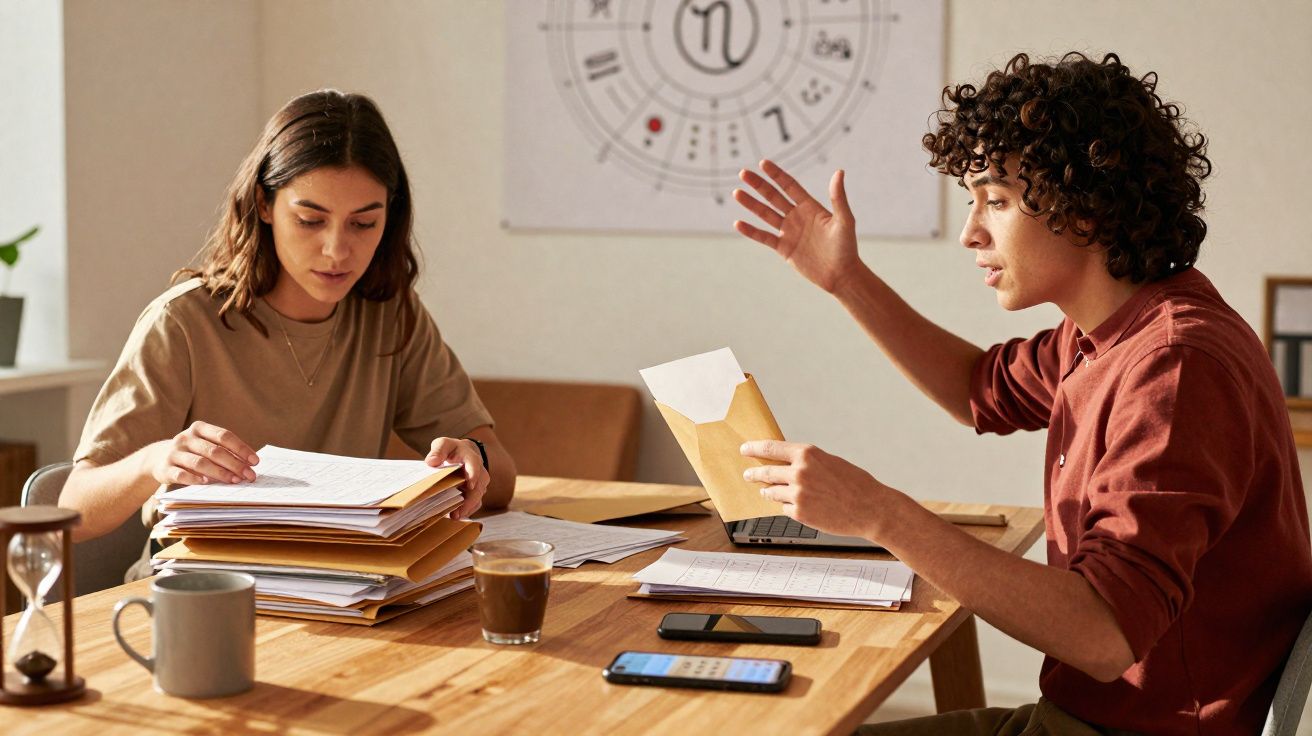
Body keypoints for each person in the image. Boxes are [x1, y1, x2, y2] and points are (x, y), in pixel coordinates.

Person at [731, 52, 1312, 735]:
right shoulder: (1106, 331)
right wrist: (847, 281)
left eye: (996, 201)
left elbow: (1103, 635)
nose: (971, 232)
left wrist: (879, 514)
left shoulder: (1174, 368)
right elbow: (977, 389)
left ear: (1085, 206)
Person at [61, 90, 517, 571]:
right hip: (198, 591)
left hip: (346, 585)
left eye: (363, 223)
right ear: (263, 204)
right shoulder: (182, 324)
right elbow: (72, 512)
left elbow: (503, 479)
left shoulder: (391, 316)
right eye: (309, 220)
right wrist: (153, 461)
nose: (337, 250)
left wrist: (473, 459)